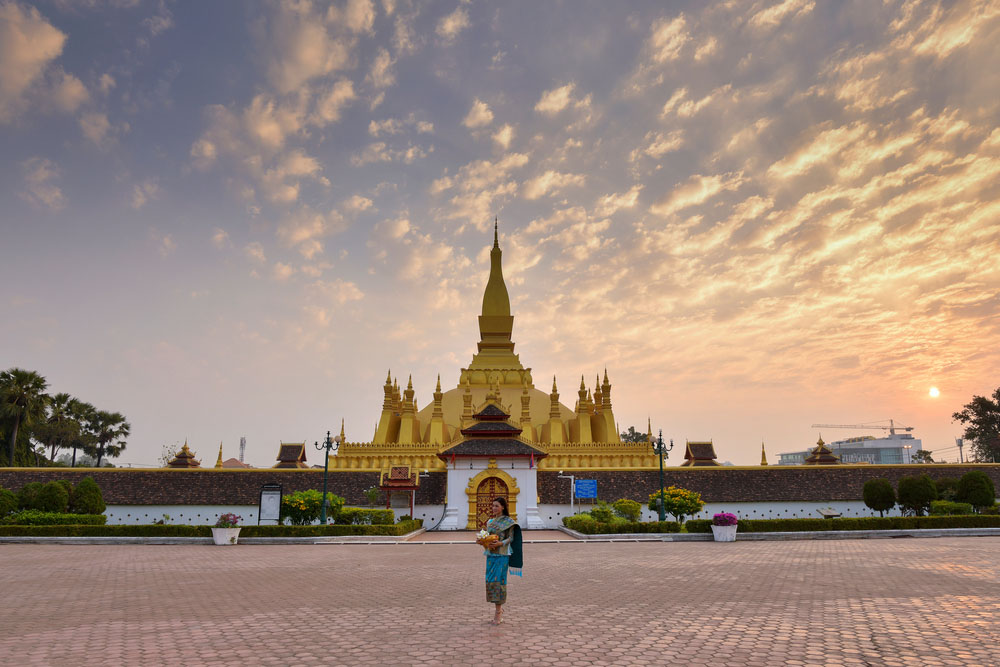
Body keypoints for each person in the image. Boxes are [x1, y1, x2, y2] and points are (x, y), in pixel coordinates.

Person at [484, 496, 522, 625]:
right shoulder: (490, 522)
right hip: (491, 555)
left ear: (503, 507)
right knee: (490, 580)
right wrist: (482, 541)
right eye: (493, 505)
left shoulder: (509, 522)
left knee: (499, 582)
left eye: (496, 506)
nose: (494, 508)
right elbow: (487, 538)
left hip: (502, 555)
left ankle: (498, 612)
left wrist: (500, 543)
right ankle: (498, 608)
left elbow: (511, 538)